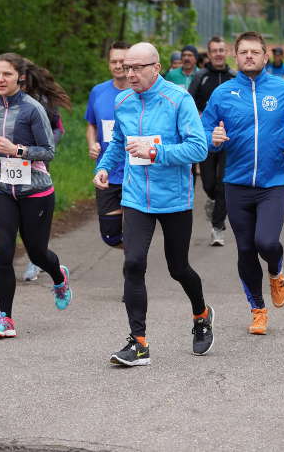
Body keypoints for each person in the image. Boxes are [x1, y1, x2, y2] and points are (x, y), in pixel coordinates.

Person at [93, 42, 213, 365]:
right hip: (135, 197)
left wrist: (158, 153)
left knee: (178, 268)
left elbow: (199, 148)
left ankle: (201, 314)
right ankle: (139, 343)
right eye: (126, 68)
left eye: (136, 68)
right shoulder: (123, 101)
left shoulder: (178, 100)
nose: (129, 73)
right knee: (133, 263)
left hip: (173, 199)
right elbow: (118, 142)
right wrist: (103, 167)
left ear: (156, 68)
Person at [201, 31, 284, 335]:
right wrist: (213, 139)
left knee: (266, 242)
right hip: (236, 184)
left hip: (273, 182)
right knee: (246, 250)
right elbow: (203, 128)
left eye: (255, 52)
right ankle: (258, 310)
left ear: (265, 56)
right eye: (244, 52)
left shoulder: (283, 90)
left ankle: (276, 271)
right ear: (236, 57)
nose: (249, 56)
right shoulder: (223, 93)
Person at [0, 52, 72, 339]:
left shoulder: (32, 109)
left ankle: (59, 277)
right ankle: (5, 319)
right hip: (2, 188)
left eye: (6, 74)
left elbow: (48, 150)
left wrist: (17, 151)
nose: (0, 79)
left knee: (37, 253)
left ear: (19, 77)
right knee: (3, 252)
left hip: (36, 191)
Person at [19, 58, 73, 281]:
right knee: (18, 214)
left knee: (34, 215)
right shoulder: (3, 101)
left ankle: (36, 259)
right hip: (12, 167)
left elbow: (58, 129)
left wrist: (45, 145)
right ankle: (34, 254)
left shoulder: (42, 101)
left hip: (39, 164)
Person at [188, 36, 236, 247]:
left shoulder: (234, 77)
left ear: (227, 53)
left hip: (229, 139)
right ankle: (213, 201)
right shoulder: (201, 76)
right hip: (205, 138)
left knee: (223, 183)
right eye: (214, 50)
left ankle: (218, 227)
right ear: (208, 54)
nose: (218, 53)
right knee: (208, 184)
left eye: (221, 50)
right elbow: (188, 104)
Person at [85, 41, 130, 250]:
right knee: (111, 236)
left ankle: (134, 266)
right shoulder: (98, 92)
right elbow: (91, 125)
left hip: (136, 173)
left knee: (135, 232)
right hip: (108, 173)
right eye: (114, 61)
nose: (118, 65)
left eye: (123, 61)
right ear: (108, 64)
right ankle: (133, 258)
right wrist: (92, 143)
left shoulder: (141, 91)